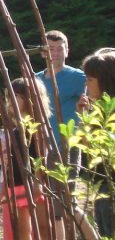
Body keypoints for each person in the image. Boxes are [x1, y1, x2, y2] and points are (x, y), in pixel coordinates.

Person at [35, 30, 97, 239]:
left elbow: (93, 102)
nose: (55, 53)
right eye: (50, 49)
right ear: (43, 52)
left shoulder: (78, 78)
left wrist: (86, 109)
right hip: (42, 145)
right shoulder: (35, 80)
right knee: (52, 202)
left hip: (66, 143)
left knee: (67, 200)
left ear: (67, 50)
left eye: (60, 48)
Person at [0, 78, 50, 239]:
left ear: (31, 98)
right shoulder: (14, 129)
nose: (10, 101)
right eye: (8, 97)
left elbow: (41, 155)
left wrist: (38, 182)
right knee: (22, 230)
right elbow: (9, 164)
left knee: (42, 227)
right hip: (16, 185)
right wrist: (4, 190)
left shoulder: (36, 127)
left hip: (31, 184)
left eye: (16, 96)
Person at [77, 48, 115, 238]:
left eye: (90, 79)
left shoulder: (110, 112)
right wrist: (84, 117)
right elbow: (87, 146)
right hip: (101, 184)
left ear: (105, 81)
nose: (86, 84)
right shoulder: (97, 110)